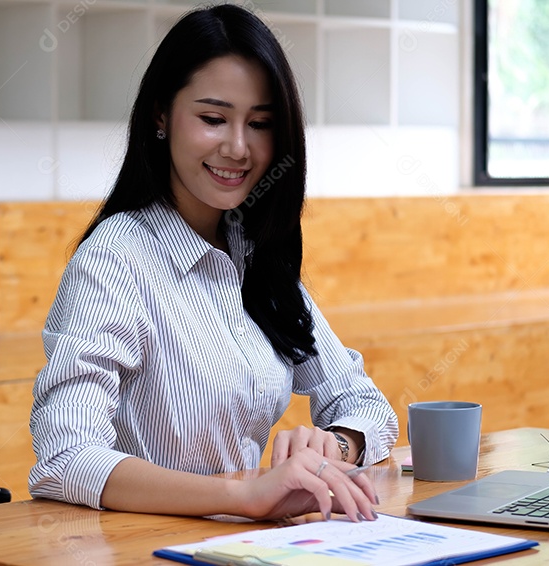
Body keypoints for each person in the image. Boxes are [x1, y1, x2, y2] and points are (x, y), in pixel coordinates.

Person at [28, 4, 398, 522]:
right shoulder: (114, 261)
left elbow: (366, 404)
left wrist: (331, 447)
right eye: (213, 119)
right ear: (161, 115)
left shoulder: (253, 255)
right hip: (145, 549)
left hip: (248, 545)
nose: (239, 148)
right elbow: (66, 460)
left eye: (261, 124)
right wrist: (245, 498)